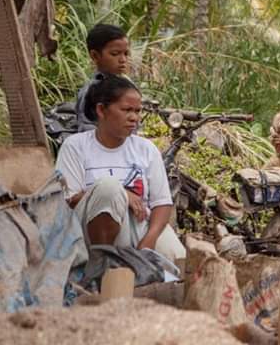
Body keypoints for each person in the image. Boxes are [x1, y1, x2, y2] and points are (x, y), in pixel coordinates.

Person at [56, 75, 186, 263]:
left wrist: (149, 240)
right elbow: (68, 201)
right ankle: (102, 265)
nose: (134, 118)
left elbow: (162, 203)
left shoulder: (146, 149)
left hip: (140, 226)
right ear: (101, 110)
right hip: (87, 235)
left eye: (137, 111)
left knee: (177, 259)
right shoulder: (75, 146)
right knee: (108, 188)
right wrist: (123, 194)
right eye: (126, 110)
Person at [76, 23, 130, 132]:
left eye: (126, 53)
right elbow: (86, 129)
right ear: (95, 55)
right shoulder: (91, 91)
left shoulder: (128, 85)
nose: (123, 59)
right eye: (115, 54)